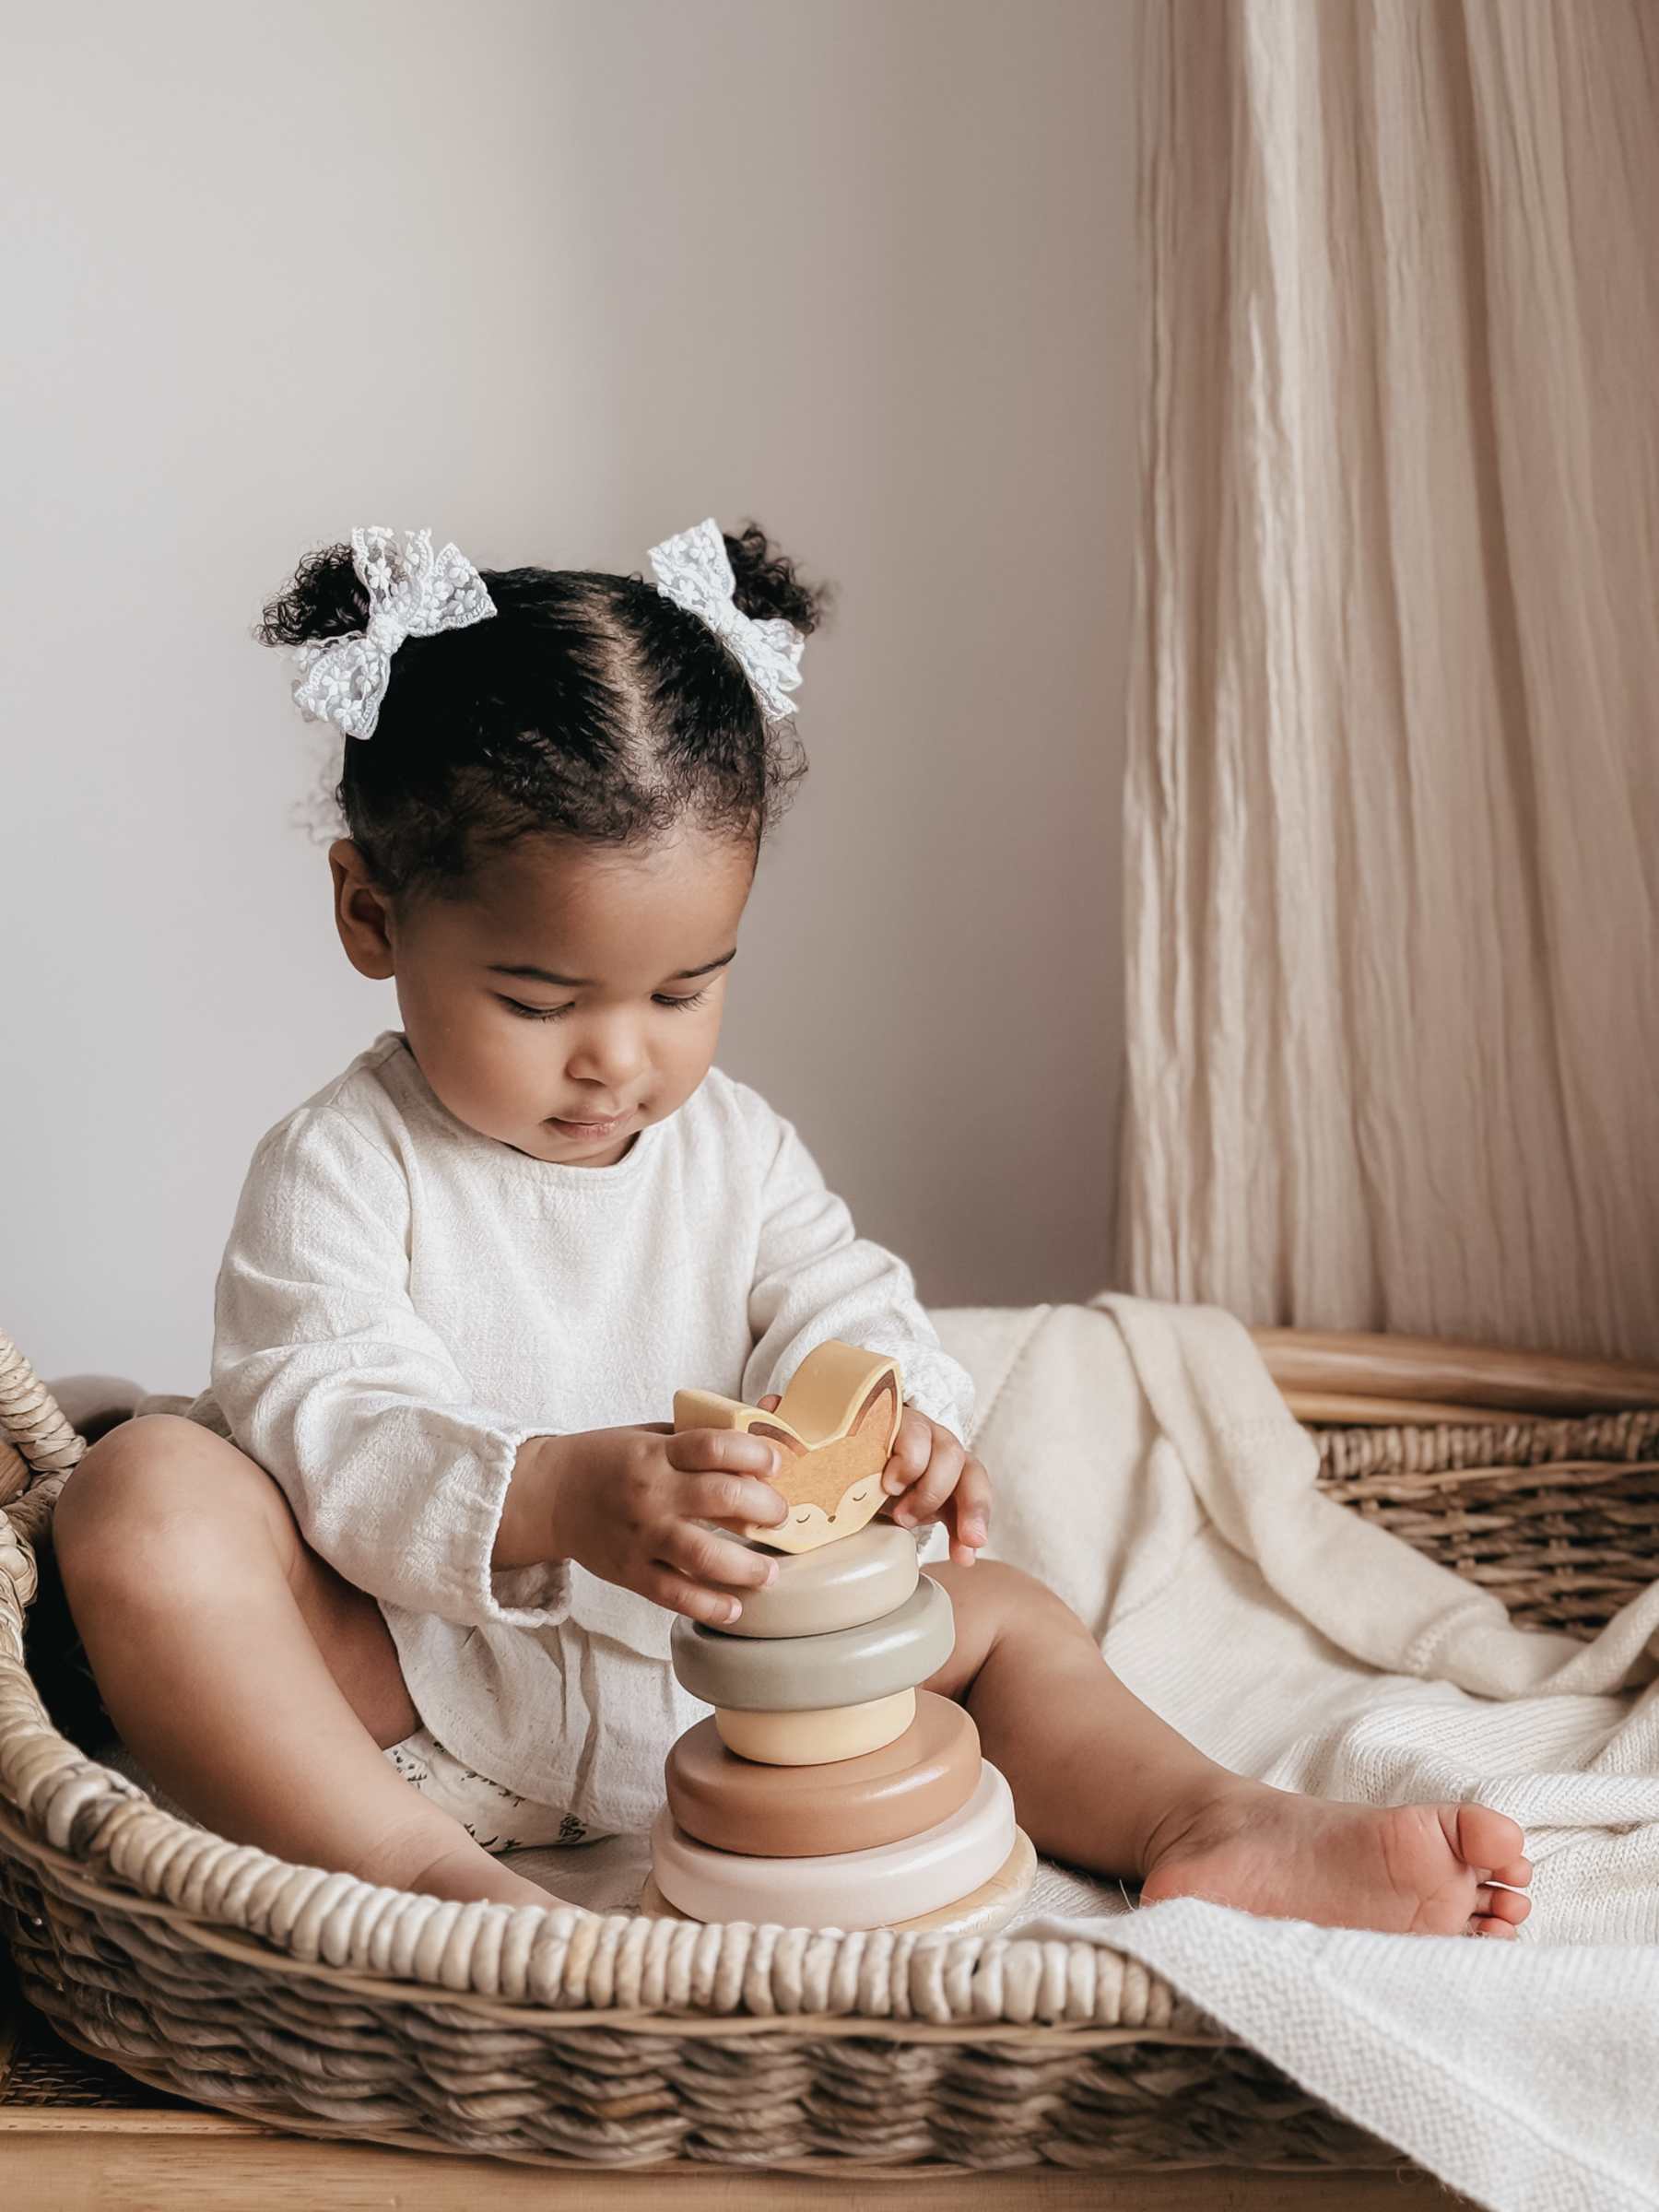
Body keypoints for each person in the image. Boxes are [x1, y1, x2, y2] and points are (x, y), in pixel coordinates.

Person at [56, 521, 1532, 1936]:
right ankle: (427, 1891)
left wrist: (887, 1421)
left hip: (751, 1691)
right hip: (422, 1689)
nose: (618, 1061)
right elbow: (326, 1418)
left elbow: (844, 1304)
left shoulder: (734, 1151)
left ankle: (1204, 1825)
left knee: (1009, 1616)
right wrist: (559, 1495)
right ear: (371, 916)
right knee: (144, 1499)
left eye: (684, 991)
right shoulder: (343, 1164)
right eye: (538, 1001)